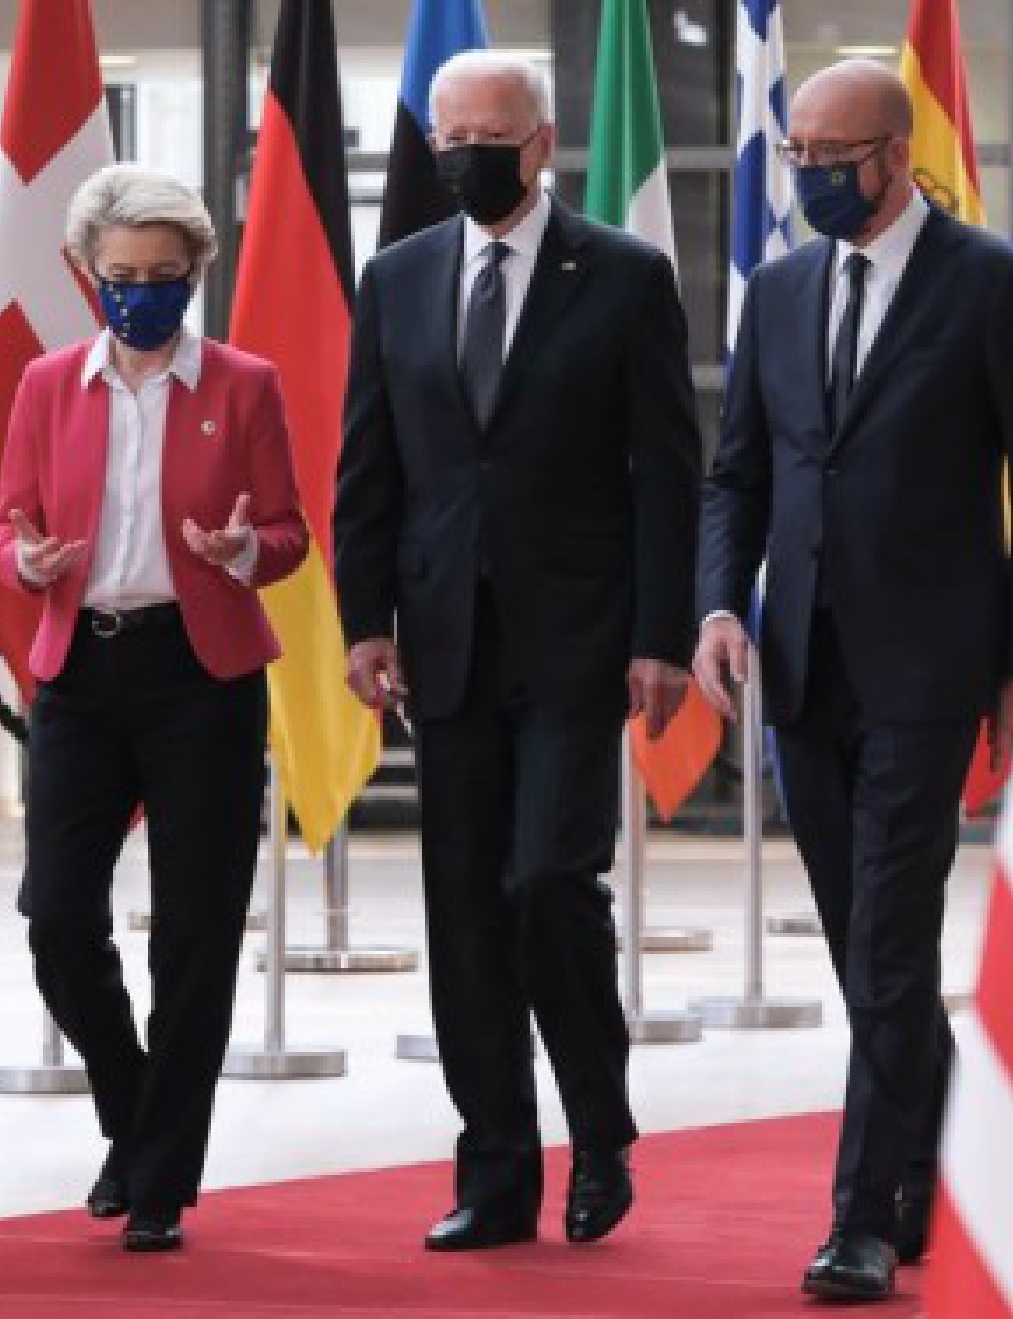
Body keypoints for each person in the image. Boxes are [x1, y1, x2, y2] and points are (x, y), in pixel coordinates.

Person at [692, 60, 1013, 1301]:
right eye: (795, 153)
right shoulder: (785, 288)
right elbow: (738, 471)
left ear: (894, 154)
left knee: (893, 936)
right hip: (804, 662)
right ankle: (959, 1148)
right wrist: (716, 598)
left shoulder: (991, 286)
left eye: (830, 157)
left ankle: (859, 1217)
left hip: (930, 661)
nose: (806, 176)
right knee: (864, 940)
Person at [333, 51, 701, 1253]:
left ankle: (598, 1129)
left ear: (539, 143)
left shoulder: (627, 276)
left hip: (577, 636)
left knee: (548, 881)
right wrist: (363, 617)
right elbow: (368, 465)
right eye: (446, 136)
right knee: (463, 912)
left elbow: (666, 472)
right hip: (444, 638)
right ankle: (493, 1168)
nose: (463, 155)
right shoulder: (394, 277)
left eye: (486, 133)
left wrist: (659, 635)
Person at [0, 164, 308, 1254]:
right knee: (57, 913)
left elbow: (289, 533)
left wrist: (240, 551)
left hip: (202, 676)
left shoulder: (244, 385)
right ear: (88, 276)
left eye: (164, 277)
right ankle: (134, 1117)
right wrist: (24, 558)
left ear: (194, 275)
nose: (141, 294)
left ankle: (162, 1178)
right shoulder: (44, 385)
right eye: (122, 276)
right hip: (80, 670)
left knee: (197, 930)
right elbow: (2, 523)